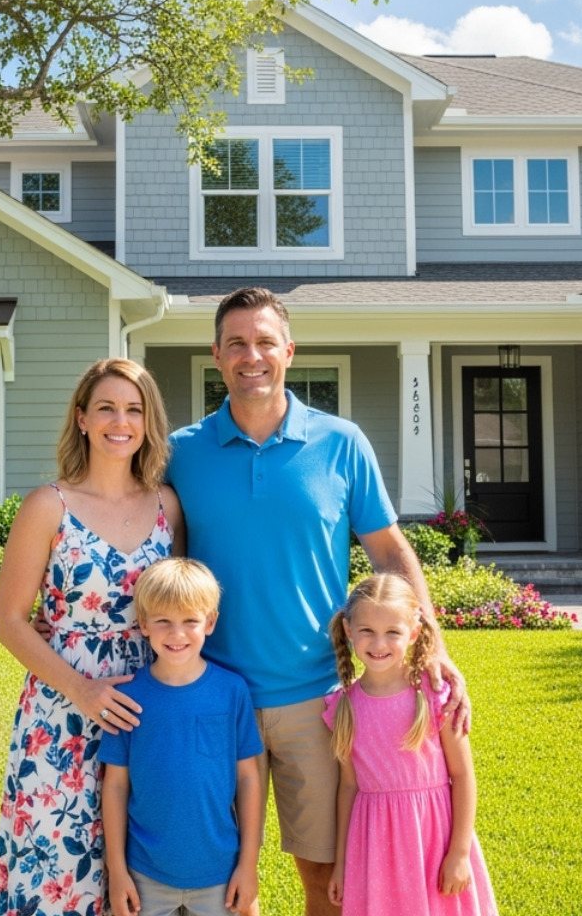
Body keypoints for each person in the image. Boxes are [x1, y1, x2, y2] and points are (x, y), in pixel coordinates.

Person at [166, 286, 470, 916]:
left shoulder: (341, 442)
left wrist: (433, 644)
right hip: (215, 698)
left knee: (329, 883)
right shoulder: (181, 451)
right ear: (217, 354)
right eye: (238, 343)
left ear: (289, 351)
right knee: (219, 883)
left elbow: (389, 551)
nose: (253, 355)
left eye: (265, 342)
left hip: (320, 704)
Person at [0, 357, 185, 916]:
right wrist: (82, 690)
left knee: (146, 877)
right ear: (81, 418)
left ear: (148, 423)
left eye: (134, 409)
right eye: (106, 407)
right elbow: (8, 620)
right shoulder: (47, 506)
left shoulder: (167, 506)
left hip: (146, 710)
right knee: (60, 874)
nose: (119, 421)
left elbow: (182, 603)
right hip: (62, 718)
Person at [99, 557, 264, 916]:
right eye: (163, 622)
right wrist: (117, 871)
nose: (177, 634)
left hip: (221, 874)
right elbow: (114, 786)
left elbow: (249, 778)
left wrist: (248, 864)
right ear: (143, 623)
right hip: (145, 875)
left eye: (190, 621)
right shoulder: (128, 698)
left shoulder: (231, 691)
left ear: (210, 622)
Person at [325, 575, 496, 916]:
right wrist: (342, 864)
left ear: (414, 632)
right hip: (374, 847)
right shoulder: (342, 706)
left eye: (393, 632)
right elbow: (348, 787)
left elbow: (462, 776)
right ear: (348, 630)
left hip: (433, 840)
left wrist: (459, 853)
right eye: (367, 631)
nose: (379, 643)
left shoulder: (435, 696)